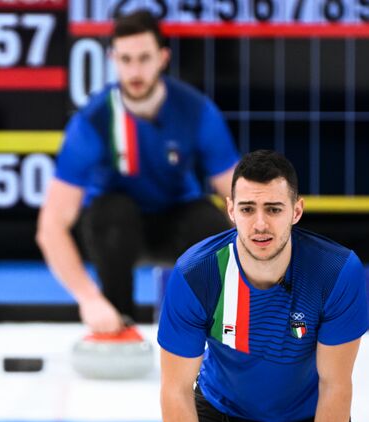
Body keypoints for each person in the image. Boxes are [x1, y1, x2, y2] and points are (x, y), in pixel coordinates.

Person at [157, 149, 367, 422]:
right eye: (248, 209)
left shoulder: (336, 271)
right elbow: (175, 388)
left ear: (296, 211)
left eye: (273, 209)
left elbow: (336, 383)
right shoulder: (196, 273)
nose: (259, 224)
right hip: (224, 421)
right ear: (230, 210)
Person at [37, 9, 238, 334]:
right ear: (113, 59)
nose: (134, 71)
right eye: (125, 59)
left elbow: (239, 198)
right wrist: (88, 299)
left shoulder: (196, 111)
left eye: (144, 58)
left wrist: (262, 280)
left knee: (212, 224)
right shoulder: (92, 122)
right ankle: (117, 323)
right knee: (111, 214)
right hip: (116, 231)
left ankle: (222, 331)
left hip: (178, 222)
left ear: (162, 58)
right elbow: (50, 227)